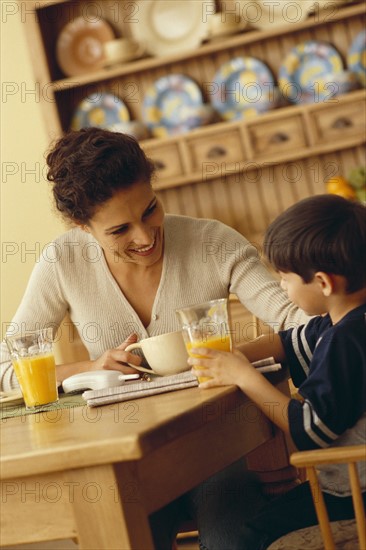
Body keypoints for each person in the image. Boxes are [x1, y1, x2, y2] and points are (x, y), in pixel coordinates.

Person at [1, 128, 309, 550]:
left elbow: (304, 324)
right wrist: (90, 369)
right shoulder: (62, 261)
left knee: (232, 541)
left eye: (150, 210)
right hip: (125, 463)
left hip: (216, 451)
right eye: (119, 230)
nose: (145, 237)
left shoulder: (212, 242)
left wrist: (232, 360)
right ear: (82, 226)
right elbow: (6, 368)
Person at [189, 194, 366, 548]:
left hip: (354, 493)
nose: (282, 287)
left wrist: (244, 377)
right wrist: (234, 355)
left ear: (324, 283)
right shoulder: (344, 323)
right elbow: (289, 341)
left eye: (285, 278)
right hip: (352, 483)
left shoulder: (346, 341)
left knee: (247, 535)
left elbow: (310, 431)